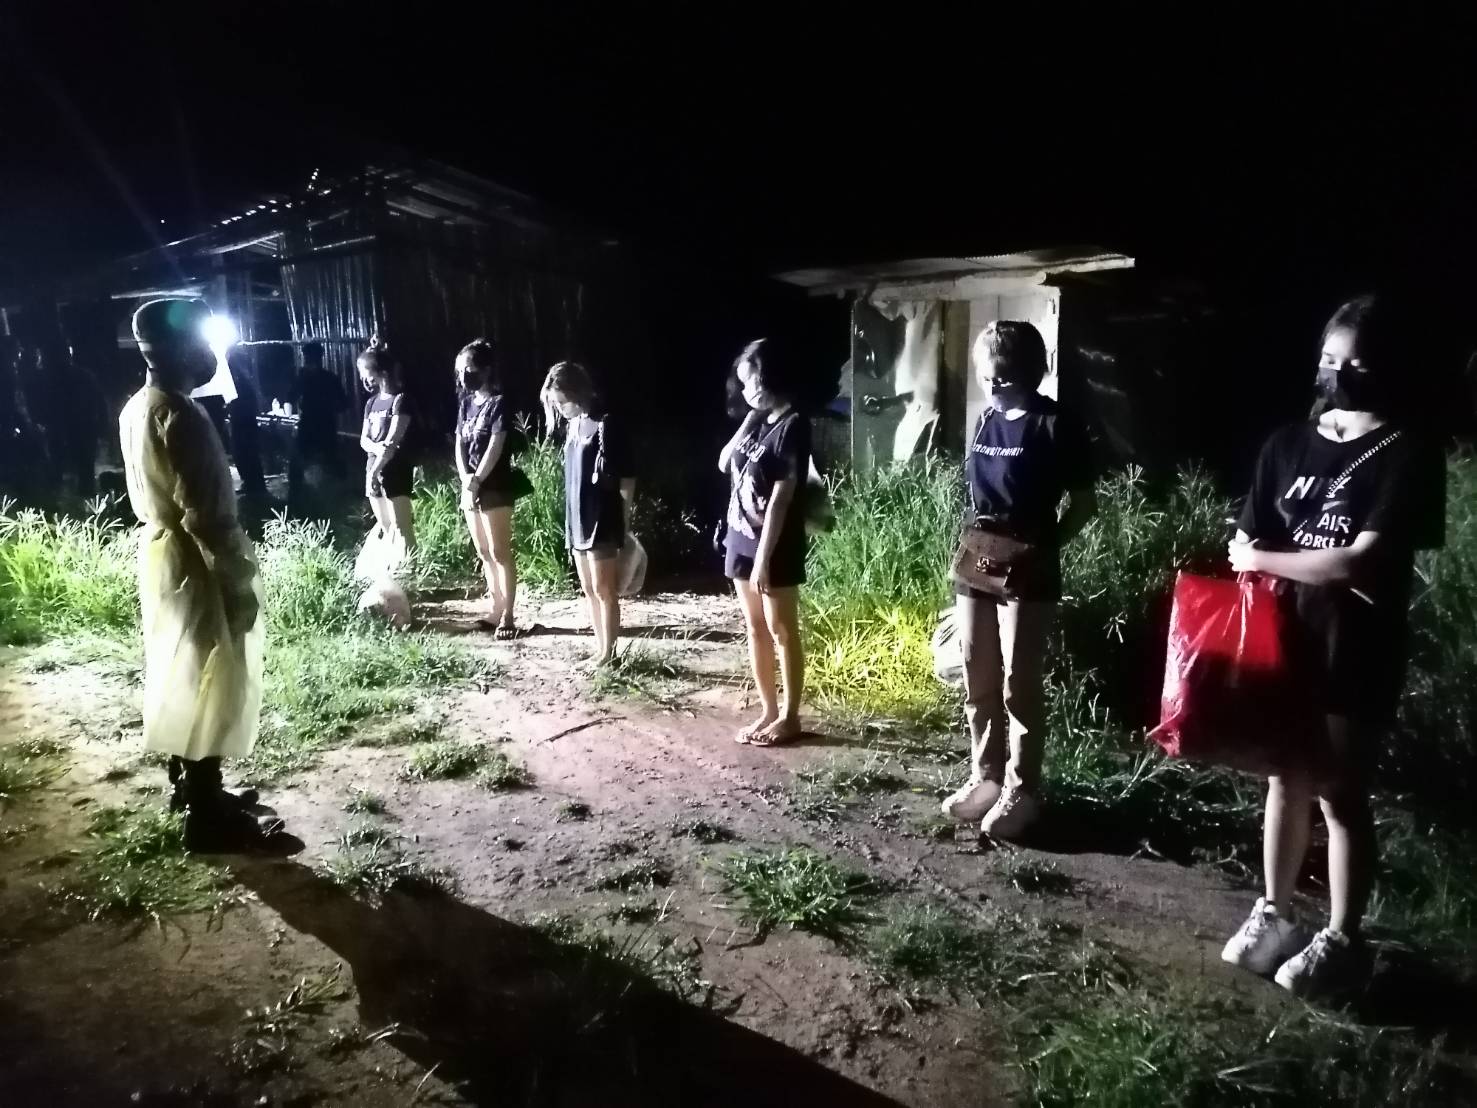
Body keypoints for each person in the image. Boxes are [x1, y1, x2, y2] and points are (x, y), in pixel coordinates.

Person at [1220, 295, 1445, 1000]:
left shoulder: (1407, 452)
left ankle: (1344, 939)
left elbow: (1356, 562)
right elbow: (1245, 536)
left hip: (1356, 645)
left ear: (1390, 368)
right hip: (1285, 638)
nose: (1338, 373)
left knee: (1340, 793)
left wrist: (1263, 559)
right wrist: (1261, 558)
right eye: (1328, 359)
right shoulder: (1286, 445)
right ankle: (1274, 913)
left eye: (1357, 362)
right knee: (1284, 778)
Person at [118, 299, 282, 851]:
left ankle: (189, 787)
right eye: (203, 341)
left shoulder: (139, 405)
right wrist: (236, 579)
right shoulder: (181, 415)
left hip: (164, 556)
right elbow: (207, 513)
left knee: (182, 667)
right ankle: (206, 814)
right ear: (179, 348)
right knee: (212, 672)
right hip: (196, 559)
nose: (212, 352)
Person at [940, 321, 1096, 840]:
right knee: (977, 671)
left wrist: (1044, 548)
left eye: (1000, 377)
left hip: (1028, 563)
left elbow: (1084, 504)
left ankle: (1021, 789)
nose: (990, 385)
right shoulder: (985, 419)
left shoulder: (1056, 424)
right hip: (977, 555)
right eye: (985, 375)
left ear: (1026, 371)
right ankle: (984, 776)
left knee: (1018, 682)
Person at [719, 338, 811, 745]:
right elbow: (724, 462)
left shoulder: (794, 424)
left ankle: (790, 717)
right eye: (741, 383)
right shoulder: (758, 421)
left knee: (781, 629)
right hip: (739, 538)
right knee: (755, 628)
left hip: (774, 546)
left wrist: (763, 559)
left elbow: (781, 500)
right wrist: (749, 419)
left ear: (770, 375)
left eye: (751, 380)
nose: (746, 390)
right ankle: (768, 711)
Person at [541, 360, 635, 665]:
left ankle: (610, 653)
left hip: (602, 517)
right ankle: (600, 649)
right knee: (588, 589)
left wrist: (625, 518)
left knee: (604, 589)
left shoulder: (605, 423)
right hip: (577, 518)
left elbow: (627, 476)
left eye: (562, 402)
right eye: (556, 404)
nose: (560, 409)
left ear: (576, 392)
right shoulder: (572, 425)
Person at [456, 340, 523, 638]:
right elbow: (459, 443)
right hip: (471, 486)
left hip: (495, 485)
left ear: (485, 370)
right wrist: (465, 479)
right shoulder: (466, 404)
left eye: (469, 369)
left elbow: (496, 445)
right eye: (460, 370)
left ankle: (508, 615)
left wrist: (477, 479)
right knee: (483, 551)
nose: (464, 376)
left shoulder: (499, 403)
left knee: (499, 551)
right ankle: (494, 610)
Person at [357, 338, 416, 569]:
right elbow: (364, 440)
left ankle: (411, 569)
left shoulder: (401, 400)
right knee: (385, 525)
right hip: (373, 468)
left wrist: (377, 468)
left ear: (381, 372)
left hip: (395, 469)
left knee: (402, 526)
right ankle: (393, 567)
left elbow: (392, 441)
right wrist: (375, 453)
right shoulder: (371, 403)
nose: (364, 378)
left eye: (366, 372)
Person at [289, 341, 347, 498]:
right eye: (308, 358)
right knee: (301, 461)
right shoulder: (304, 378)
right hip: (314, 423)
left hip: (322, 423)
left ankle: (335, 493)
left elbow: (343, 403)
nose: (309, 361)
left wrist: (329, 407)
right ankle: (298, 495)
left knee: (327, 459)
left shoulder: (327, 378)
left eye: (310, 357)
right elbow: (290, 396)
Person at [225, 345, 268, 500]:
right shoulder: (242, 381)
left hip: (243, 422)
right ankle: (253, 484)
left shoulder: (242, 382)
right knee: (245, 454)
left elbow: (242, 403)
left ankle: (254, 486)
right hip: (242, 422)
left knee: (245, 453)